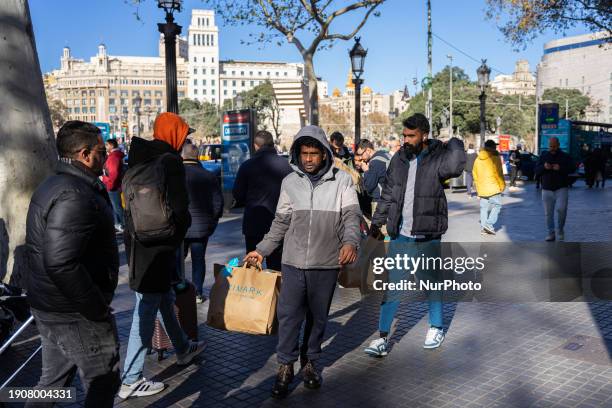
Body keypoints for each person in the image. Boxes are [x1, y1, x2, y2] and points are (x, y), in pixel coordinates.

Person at [245, 126, 361, 399]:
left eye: (314, 154)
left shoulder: (342, 181)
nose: (308, 159)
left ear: (324, 154)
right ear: (297, 154)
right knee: (288, 317)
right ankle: (285, 366)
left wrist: (350, 242)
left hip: (327, 263)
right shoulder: (289, 182)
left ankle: (310, 363)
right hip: (293, 262)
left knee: (317, 319)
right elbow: (280, 222)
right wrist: (261, 250)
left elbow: (351, 217)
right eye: (304, 154)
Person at [25, 121, 120, 407]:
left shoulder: (57, 183)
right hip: (74, 313)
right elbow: (61, 262)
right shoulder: (75, 194)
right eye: (102, 151)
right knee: (102, 383)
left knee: (51, 384)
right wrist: (96, 308)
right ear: (85, 154)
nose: (106, 156)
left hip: (54, 306)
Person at [363, 113, 465, 356]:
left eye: (411, 135)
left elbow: (456, 166)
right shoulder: (399, 158)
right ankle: (383, 338)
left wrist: (454, 142)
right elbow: (388, 193)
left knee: (431, 281)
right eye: (404, 135)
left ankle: (436, 326)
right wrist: (377, 224)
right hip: (401, 233)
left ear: (424, 135)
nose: (406, 140)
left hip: (428, 233)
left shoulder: (437, 156)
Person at [119, 113, 205, 399]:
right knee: (146, 308)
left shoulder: (137, 159)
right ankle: (131, 378)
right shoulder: (170, 162)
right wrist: (180, 233)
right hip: (163, 245)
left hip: (139, 245)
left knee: (163, 298)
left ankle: (182, 348)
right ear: (174, 135)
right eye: (182, 134)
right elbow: (180, 209)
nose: (184, 140)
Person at [233, 130, 292, 271]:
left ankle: (253, 291)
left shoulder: (247, 166)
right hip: (279, 224)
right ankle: (277, 293)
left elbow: (238, 194)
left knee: (252, 265)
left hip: (254, 224)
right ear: (273, 144)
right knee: (276, 267)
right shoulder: (287, 166)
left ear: (255, 146)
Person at [181, 143, 224, 303]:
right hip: (202, 228)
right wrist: (212, 222)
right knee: (198, 260)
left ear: (183, 156)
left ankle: (179, 290)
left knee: (179, 259)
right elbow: (218, 202)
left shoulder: (176, 175)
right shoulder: (208, 175)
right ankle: (197, 292)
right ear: (197, 156)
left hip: (181, 227)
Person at [535, 137, 574, 241]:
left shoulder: (565, 156)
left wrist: (560, 168)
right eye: (551, 146)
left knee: (562, 210)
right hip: (546, 189)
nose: (552, 148)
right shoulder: (543, 156)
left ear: (558, 145)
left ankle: (560, 229)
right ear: (548, 146)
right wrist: (544, 167)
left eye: (554, 146)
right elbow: (537, 171)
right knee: (548, 213)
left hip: (561, 188)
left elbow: (572, 168)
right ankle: (551, 233)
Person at [473, 140, 506, 235]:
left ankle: (484, 228)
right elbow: (499, 173)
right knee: (497, 205)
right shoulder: (495, 157)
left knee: (484, 208)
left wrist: (478, 188)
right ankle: (489, 224)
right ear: (492, 148)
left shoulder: (478, 159)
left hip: (482, 188)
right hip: (493, 187)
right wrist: (502, 185)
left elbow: (475, 175)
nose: (496, 148)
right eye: (494, 146)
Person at [354, 139, 391, 215]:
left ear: (368, 150)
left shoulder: (374, 162)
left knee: (377, 226)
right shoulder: (384, 155)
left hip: (380, 201)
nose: (360, 158)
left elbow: (369, 186)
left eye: (361, 154)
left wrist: (366, 170)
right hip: (389, 198)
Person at [102, 138, 126, 233]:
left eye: (107, 145)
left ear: (111, 146)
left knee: (117, 207)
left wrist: (110, 186)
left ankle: (124, 225)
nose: (105, 147)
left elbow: (114, 173)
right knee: (115, 206)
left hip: (113, 187)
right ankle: (118, 224)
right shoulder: (115, 155)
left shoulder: (113, 157)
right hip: (115, 186)